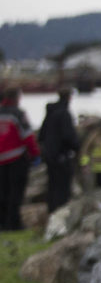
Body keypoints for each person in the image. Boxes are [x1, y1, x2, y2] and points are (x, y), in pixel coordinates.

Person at [0, 87, 40, 230]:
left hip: (1, 160)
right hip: (16, 158)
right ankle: (14, 223)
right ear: (16, 98)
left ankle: (2, 223)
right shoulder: (18, 114)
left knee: (3, 192)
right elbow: (28, 136)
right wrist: (35, 154)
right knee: (16, 193)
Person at [38, 88, 80, 213]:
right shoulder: (64, 113)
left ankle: (51, 211)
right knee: (63, 188)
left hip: (50, 157)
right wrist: (77, 146)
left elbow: (41, 135)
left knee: (52, 186)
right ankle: (60, 213)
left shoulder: (50, 112)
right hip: (62, 156)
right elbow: (69, 136)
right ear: (69, 97)